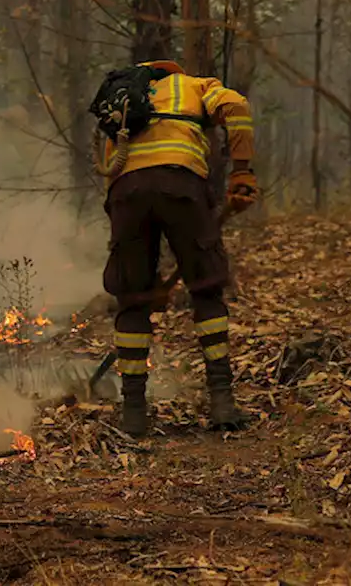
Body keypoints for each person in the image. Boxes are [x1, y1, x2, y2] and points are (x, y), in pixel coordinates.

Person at [98, 59, 259, 437]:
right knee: (205, 290)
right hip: (181, 186)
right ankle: (221, 400)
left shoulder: (119, 103)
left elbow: (110, 170)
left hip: (126, 195)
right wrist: (242, 171)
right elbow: (236, 107)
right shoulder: (194, 85)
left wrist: (141, 278)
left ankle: (134, 412)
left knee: (133, 301)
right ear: (173, 71)